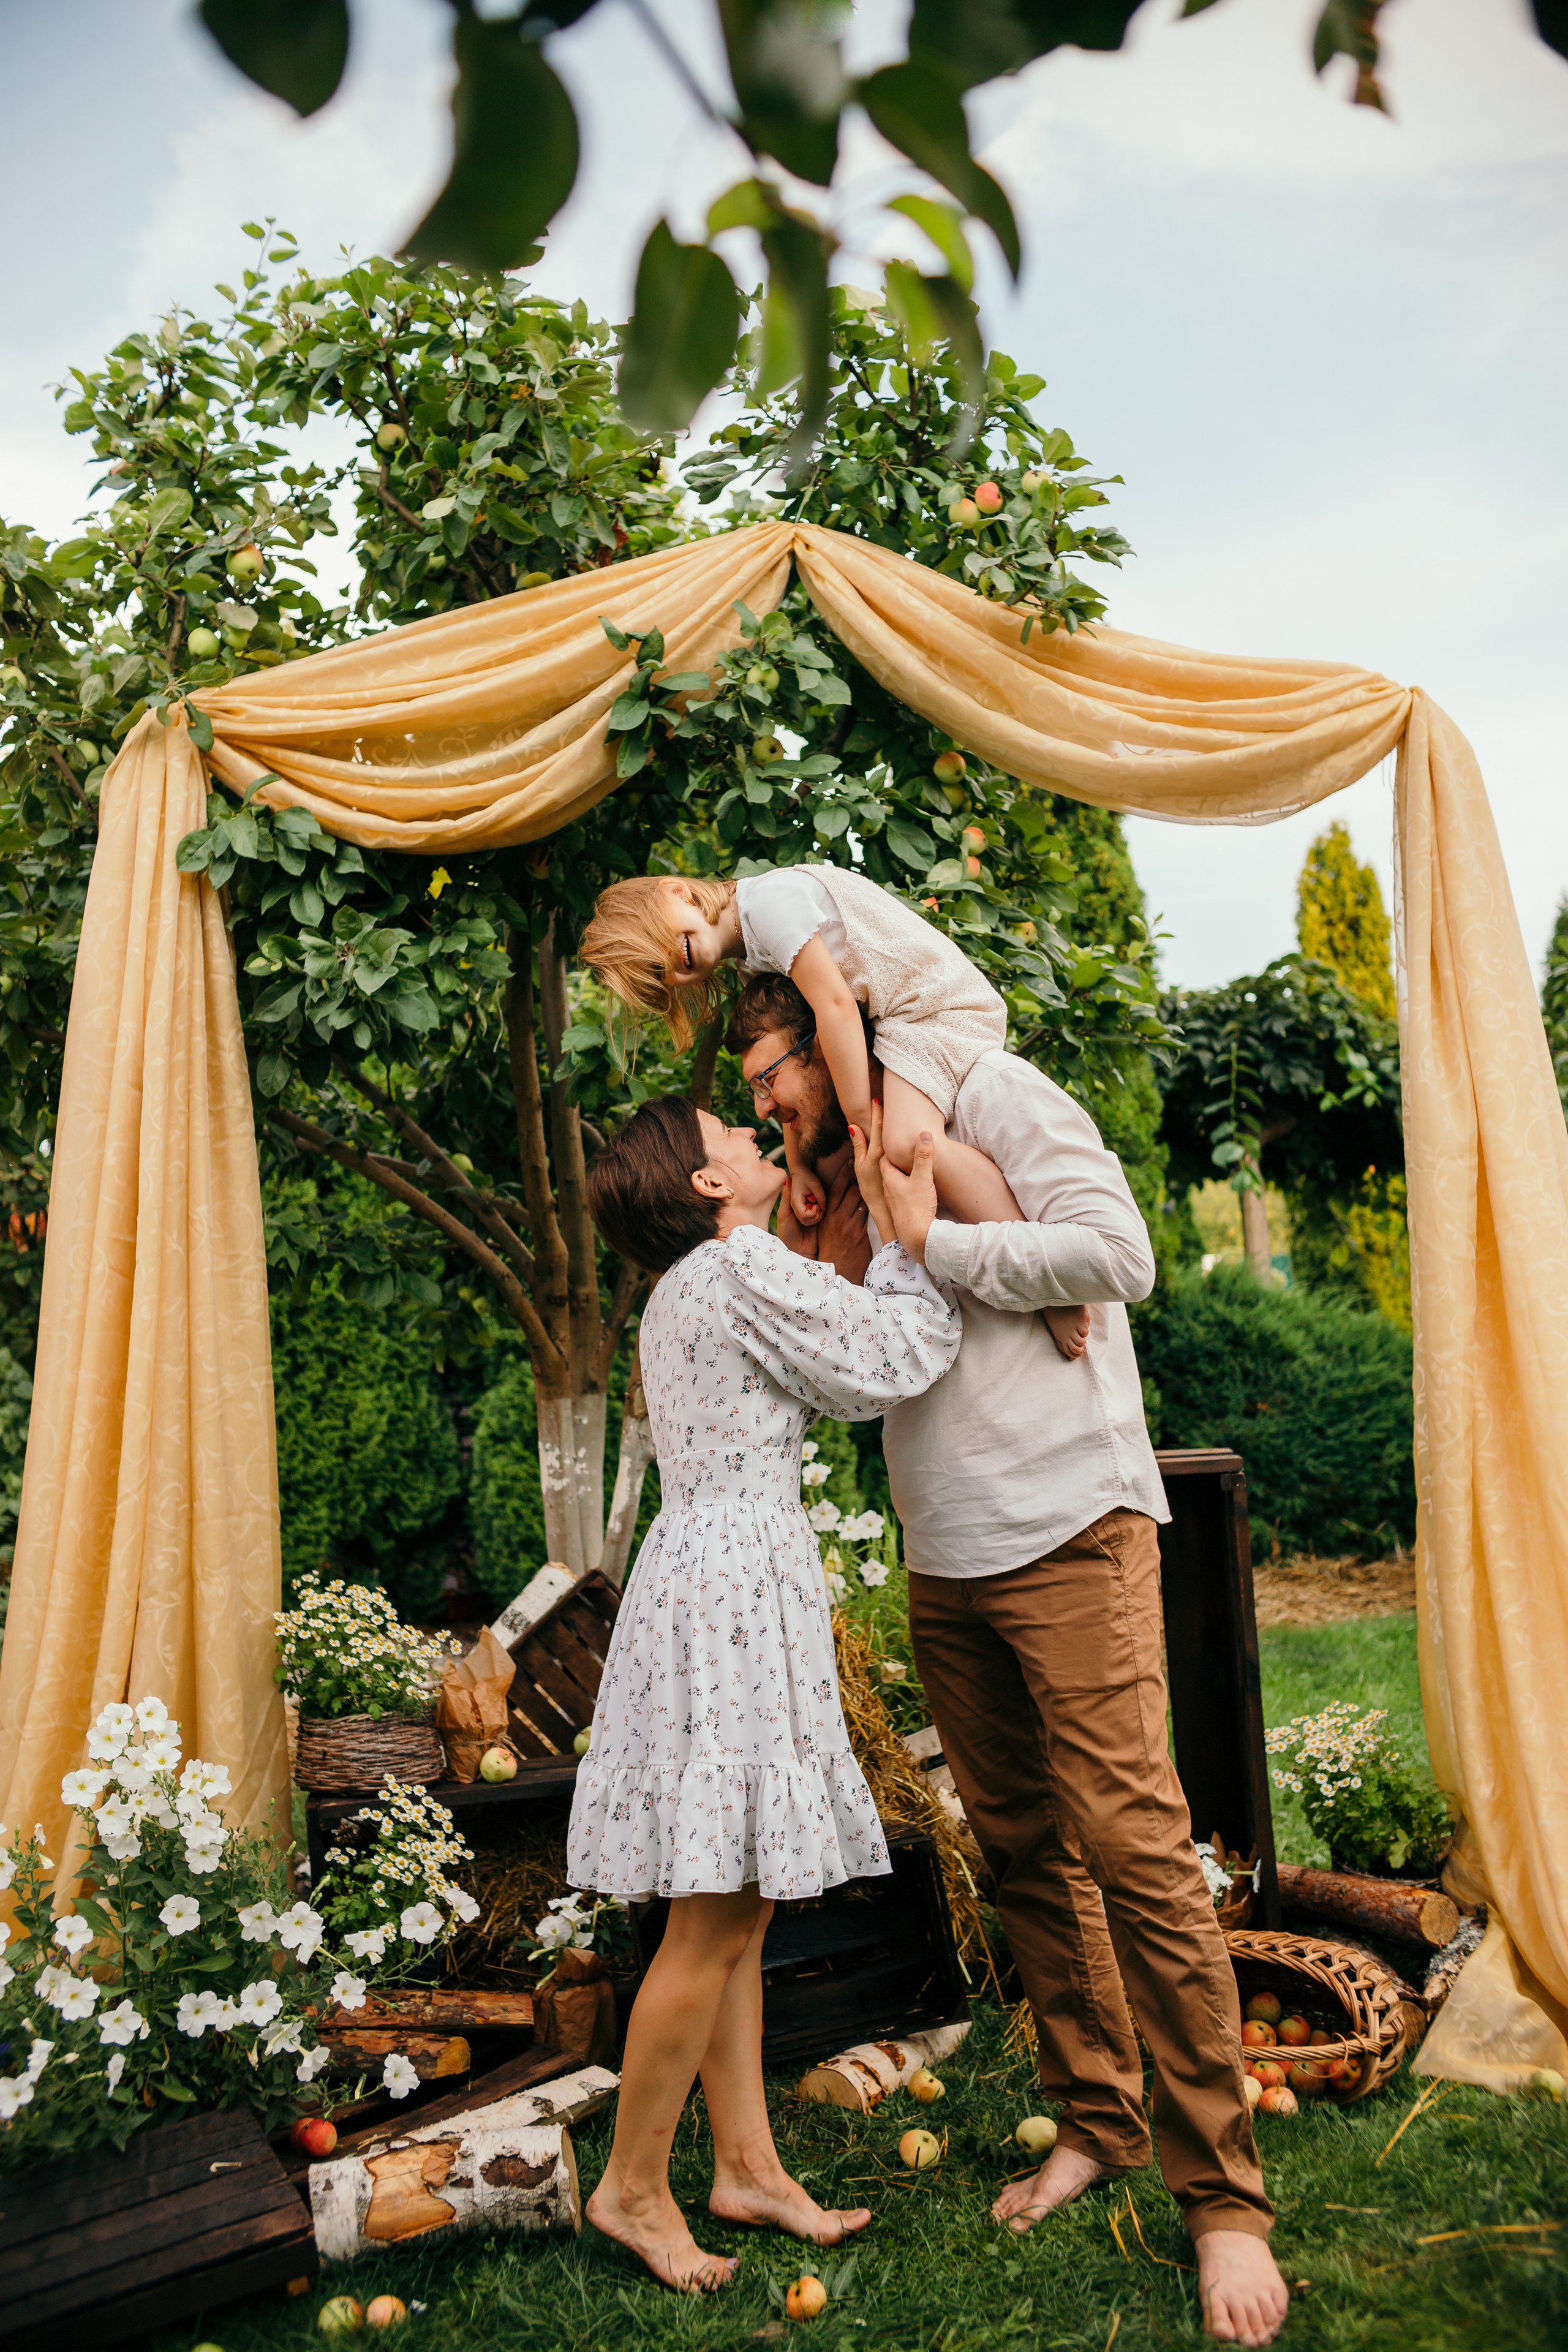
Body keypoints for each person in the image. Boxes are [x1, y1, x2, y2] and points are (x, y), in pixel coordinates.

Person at [727, 971, 1293, 2352]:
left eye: (770, 1079)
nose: (763, 1106)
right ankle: (1094, 2121)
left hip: (1069, 1520)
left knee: (1134, 1846)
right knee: (1024, 1851)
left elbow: (1120, 1256)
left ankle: (1222, 2196)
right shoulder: (842, 1182)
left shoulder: (993, 1098)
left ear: (829, 1048)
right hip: (944, 1546)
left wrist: (943, 1247)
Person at [569, 1092, 960, 2293]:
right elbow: (894, 1357)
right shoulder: (737, 1269)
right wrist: (910, 1231)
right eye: (729, 1137)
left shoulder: (680, 1290)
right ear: (706, 1187)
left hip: (701, 1584)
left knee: (732, 1902)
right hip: (736, 1593)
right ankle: (631, 2190)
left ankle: (746, 2165)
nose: (750, 1136)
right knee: (712, 1918)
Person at [579, 863, 1090, 1360]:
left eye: (661, 945)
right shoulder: (750, 952)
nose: (672, 964)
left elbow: (837, 1010)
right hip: (899, 1018)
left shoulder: (769, 904)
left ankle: (1053, 1290)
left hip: (933, 1006)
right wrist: (798, 1165)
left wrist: (863, 1121)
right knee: (889, 1144)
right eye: (657, 972)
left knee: (906, 1142)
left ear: (679, 893)